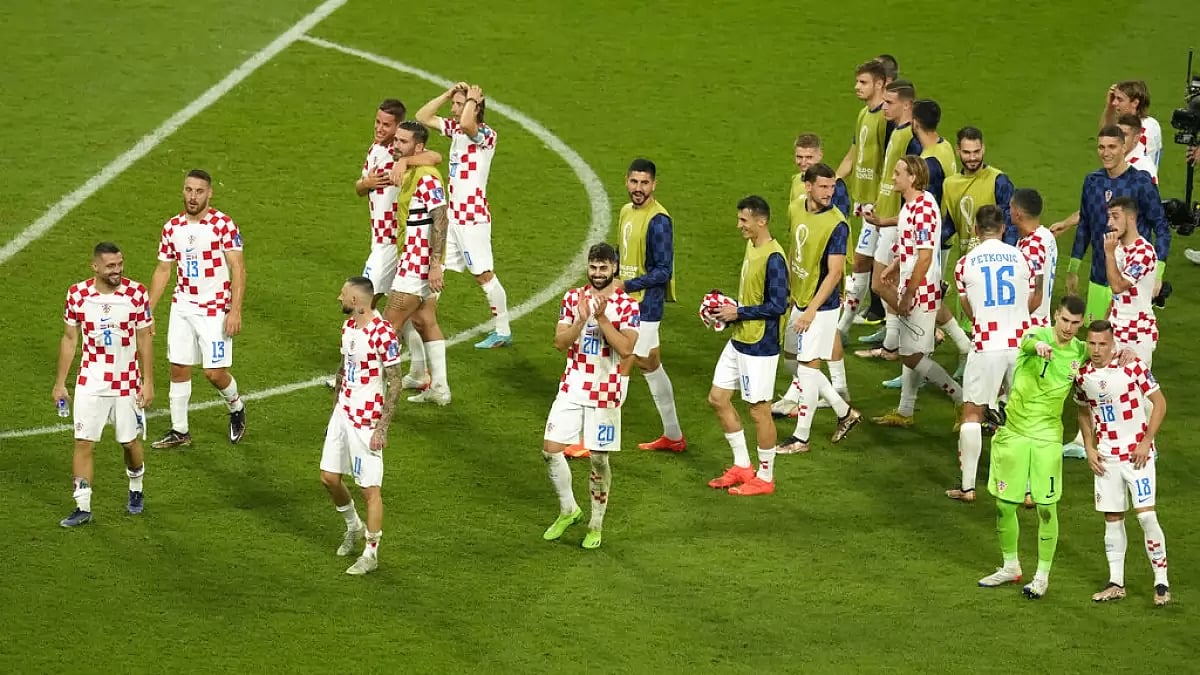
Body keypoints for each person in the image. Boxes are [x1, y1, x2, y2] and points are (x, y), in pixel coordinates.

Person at [1063, 126, 1170, 456]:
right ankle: (1086, 439)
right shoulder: (1093, 181)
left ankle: (1144, 440)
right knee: (1098, 361)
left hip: (1125, 289)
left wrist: (1157, 275)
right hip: (1100, 281)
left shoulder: (1139, 182)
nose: (1106, 152)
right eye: (1101, 146)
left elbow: (1161, 226)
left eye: (1112, 146)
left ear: (1126, 147)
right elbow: (1085, 227)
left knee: (1134, 378)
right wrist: (1074, 265)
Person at [977, 296, 1087, 600]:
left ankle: (1041, 577)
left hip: (1048, 438)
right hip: (1013, 433)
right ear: (1056, 316)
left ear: (1081, 324)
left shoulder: (1079, 351)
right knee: (1003, 504)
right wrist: (1038, 347)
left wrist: (1125, 354)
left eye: (1075, 323)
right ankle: (1010, 566)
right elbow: (1027, 341)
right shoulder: (1037, 335)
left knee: (1047, 509)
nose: (1068, 328)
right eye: (1064, 320)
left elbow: (1104, 354)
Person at [540, 243, 640, 550]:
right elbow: (559, 342)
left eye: (603, 268)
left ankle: (596, 524)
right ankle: (569, 509)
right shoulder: (573, 298)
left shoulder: (628, 306)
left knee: (598, 459)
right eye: (593, 268)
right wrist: (582, 319)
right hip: (572, 386)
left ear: (614, 269)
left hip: (605, 392)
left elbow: (625, 349)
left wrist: (602, 319)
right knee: (550, 450)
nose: (597, 274)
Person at [54, 242, 154, 527]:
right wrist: (61, 383)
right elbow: (70, 339)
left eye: (120, 264)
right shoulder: (77, 295)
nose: (117, 270)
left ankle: (136, 488)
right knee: (83, 441)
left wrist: (148, 382)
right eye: (110, 266)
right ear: (95, 267)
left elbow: (145, 338)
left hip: (126, 382)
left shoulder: (136, 293)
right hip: (91, 380)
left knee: (129, 442)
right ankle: (82, 506)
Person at [148, 169, 246, 449]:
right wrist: (148, 310)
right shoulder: (172, 227)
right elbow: (163, 270)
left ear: (209, 193)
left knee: (214, 374)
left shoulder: (223, 225)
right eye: (189, 190)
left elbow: (238, 267)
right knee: (178, 368)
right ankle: (180, 431)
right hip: (182, 306)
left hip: (215, 309)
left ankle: (236, 407)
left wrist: (235, 309)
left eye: (199, 191)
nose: (193, 197)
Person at [1075, 320, 1170, 606]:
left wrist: (1146, 442)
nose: (1096, 349)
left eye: (1102, 343)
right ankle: (1116, 582)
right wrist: (1089, 448)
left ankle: (1161, 582)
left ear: (1112, 342)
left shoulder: (1133, 365)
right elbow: (1082, 411)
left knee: (1145, 516)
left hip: (1137, 455)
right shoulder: (1083, 376)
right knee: (1112, 518)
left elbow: (1160, 404)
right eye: (1091, 343)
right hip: (1106, 457)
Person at [414, 83, 513, 350]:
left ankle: (503, 331)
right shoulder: (456, 131)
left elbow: (470, 124)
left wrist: (470, 101)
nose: (454, 110)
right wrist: (447, 94)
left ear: (475, 107)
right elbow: (422, 117)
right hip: (453, 216)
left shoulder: (486, 135)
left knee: (483, 275)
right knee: (437, 267)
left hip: (473, 219)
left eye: (459, 104)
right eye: (454, 105)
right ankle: (424, 318)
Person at [947, 206, 1033, 502]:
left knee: (972, 412)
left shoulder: (965, 264)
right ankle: (1027, 490)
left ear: (974, 230)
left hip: (986, 344)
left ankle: (968, 487)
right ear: (1004, 228)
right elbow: (1032, 298)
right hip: (1021, 345)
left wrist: (984, 319)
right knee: (1023, 416)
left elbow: (968, 308)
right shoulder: (1022, 258)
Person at [355, 99, 442, 391]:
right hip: (381, 239)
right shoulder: (377, 150)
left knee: (363, 303)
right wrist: (366, 184)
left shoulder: (406, 155)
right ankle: (420, 373)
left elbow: (436, 157)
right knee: (412, 317)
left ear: (398, 128)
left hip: (391, 244)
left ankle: (358, 370)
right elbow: (358, 187)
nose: (380, 129)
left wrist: (404, 161)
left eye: (387, 125)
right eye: (377, 122)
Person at [776, 164, 863, 454]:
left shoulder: (837, 224)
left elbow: (835, 273)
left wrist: (811, 310)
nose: (830, 192)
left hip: (821, 306)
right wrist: (790, 292)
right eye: (823, 187)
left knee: (807, 368)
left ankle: (801, 438)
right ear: (808, 186)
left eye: (832, 187)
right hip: (799, 298)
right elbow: (794, 251)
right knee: (794, 362)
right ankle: (844, 412)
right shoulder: (795, 208)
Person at [320, 276, 404, 576]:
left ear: (356, 301)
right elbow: (344, 369)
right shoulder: (348, 328)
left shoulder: (383, 334)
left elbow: (396, 381)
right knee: (329, 478)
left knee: (370, 489)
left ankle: (371, 553)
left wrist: (383, 427)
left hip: (367, 418)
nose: (338, 298)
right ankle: (353, 526)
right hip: (343, 413)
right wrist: (334, 411)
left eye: (342, 294)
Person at [705, 196, 788, 496]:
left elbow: (779, 305)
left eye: (744, 220)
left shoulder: (774, 258)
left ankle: (765, 477)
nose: (739, 225)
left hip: (760, 345)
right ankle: (742, 465)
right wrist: (728, 311)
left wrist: (738, 312)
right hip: (740, 336)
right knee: (717, 398)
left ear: (761, 221)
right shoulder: (752, 246)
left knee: (759, 411)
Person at [873, 156, 963, 427]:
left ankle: (961, 399)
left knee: (911, 356)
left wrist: (910, 293)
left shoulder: (923, 208)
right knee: (910, 352)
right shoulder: (912, 205)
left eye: (898, 172)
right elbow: (912, 248)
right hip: (913, 284)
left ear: (912, 177)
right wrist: (893, 266)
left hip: (921, 290)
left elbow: (924, 257)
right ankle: (905, 411)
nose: (893, 177)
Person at [774, 135, 851, 417]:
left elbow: (834, 238)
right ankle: (803, 393)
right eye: (799, 157)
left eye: (809, 157)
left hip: (827, 277)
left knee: (821, 342)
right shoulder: (799, 186)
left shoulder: (834, 192)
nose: (804, 162)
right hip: (803, 279)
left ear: (820, 155)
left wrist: (840, 281)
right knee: (796, 354)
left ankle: (838, 394)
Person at [613, 158, 685, 452]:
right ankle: (674, 436)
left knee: (621, 365)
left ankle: (597, 438)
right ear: (626, 181)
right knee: (650, 365)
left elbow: (663, 271)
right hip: (628, 303)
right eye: (634, 182)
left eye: (644, 183)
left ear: (654, 184)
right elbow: (624, 250)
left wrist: (626, 285)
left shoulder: (659, 221)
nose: (638, 188)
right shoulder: (626, 211)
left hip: (646, 308)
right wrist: (611, 273)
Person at [383, 122, 453, 406]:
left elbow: (441, 216)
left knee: (387, 328)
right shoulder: (412, 170)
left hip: (419, 263)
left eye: (402, 141)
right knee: (425, 321)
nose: (396, 145)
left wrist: (434, 263)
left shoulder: (426, 177)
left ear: (418, 147)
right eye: (396, 140)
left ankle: (374, 394)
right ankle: (440, 388)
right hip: (418, 259)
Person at [859, 79, 922, 357]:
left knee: (881, 283)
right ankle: (892, 341)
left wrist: (894, 220)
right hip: (883, 217)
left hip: (896, 223)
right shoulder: (896, 130)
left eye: (889, 102)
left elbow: (914, 187)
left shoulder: (911, 139)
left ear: (906, 105)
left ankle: (924, 330)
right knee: (885, 283)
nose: (883, 107)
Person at [834, 60, 890, 336]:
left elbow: (893, 164)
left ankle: (906, 332)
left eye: (863, 82)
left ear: (879, 84)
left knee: (882, 272)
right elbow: (855, 151)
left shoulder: (885, 119)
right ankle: (846, 326)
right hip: (867, 203)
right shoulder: (863, 114)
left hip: (883, 207)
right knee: (861, 262)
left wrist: (883, 200)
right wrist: (833, 180)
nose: (857, 87)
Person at [1103, 197, 1159, 366]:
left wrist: (1109, 254)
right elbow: (1116, 296)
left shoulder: (1144, 252)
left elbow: (1118, 286)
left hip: (1137, 332)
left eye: (1115, 216)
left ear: (1131, 218)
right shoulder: (1117, 248)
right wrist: (1104, 322)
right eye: (1109, 217)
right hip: (1115, 328)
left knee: (1134, 388)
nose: (1109, 223)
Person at [1013, 189, 1057, 329]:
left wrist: (1018, 322)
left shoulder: (1032, 247)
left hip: (1032, 327)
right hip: (1041, 321)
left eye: (1010, 208)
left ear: (1017, 214)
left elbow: (1037, 295)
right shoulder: (1045, 235)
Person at [1100, 80, 1162, 170]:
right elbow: (1105, 136)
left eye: (1119, 99)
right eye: (1114, 98)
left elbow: (1138, 160)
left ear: (1135, 103)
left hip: (1137, 181)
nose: (1114, 103)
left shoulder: (1148, 126)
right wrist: (1109, 107)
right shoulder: (1124, 125)